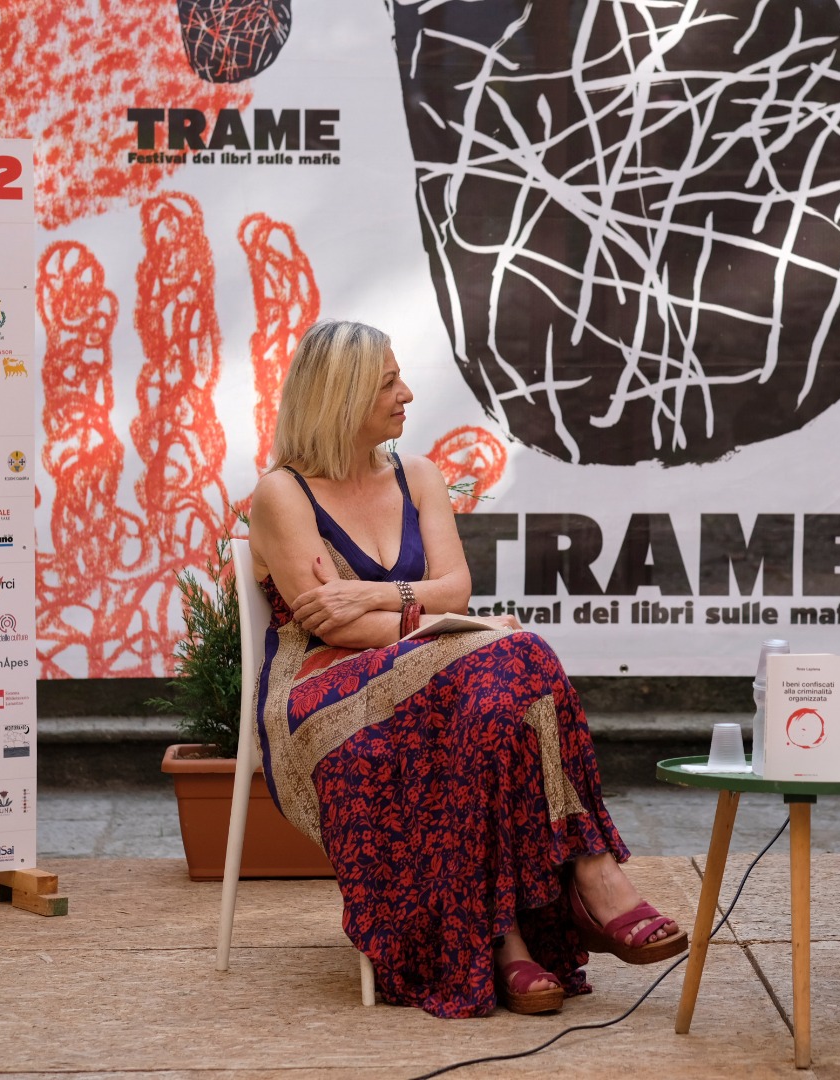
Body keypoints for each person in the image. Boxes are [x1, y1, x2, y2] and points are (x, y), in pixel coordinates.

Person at [247, 320, 685, 1019]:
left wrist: (379, 596)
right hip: (324, 693)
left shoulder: (416, 476)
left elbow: (457, 590)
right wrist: (430, 619)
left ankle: (505, 939)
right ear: (341, 396)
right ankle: (594, 878)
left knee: (499, 694)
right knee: (515, 652)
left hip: (433, 672)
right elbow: (335, 626)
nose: (406, 394)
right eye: (388, 383)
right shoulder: (282, 494)